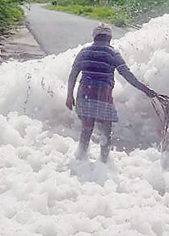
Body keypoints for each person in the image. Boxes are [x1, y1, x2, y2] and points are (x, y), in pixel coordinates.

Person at [66, 23, 156, 162]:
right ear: (109, 38)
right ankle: (103, 163)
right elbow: (128, 75)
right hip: (103, 97)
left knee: (86, 130)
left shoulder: (83, 52)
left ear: (94, 37)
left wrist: (69, 95)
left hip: (84, 96)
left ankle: (80, 160)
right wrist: (145, 89)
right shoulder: (113, 53)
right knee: (105, 133)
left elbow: (73, 75)